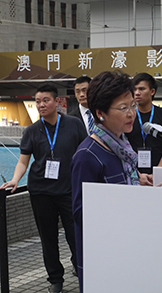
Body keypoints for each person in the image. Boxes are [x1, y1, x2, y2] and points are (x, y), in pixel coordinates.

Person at [71, 71, 153, 293]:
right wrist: (121, 198)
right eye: (123, 108)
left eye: (132, 106)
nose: (131, 114)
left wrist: (138, 181)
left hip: (127, 247)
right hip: (104, 259)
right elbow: (80, 214)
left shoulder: (122, 146)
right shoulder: (87, 154)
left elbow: (122, 183)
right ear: (100, 113)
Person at [0, 83, 87, 293]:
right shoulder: (31, 130)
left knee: (75, 235)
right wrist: (14, 179)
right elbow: (23, 161)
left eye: (45, 100)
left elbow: (85, 153)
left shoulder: (74, 124)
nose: (41, 105)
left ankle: (81, 268)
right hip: (41, 192)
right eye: (37, 101)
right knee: (48, 239)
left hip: (69, 191)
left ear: (57, 102)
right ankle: (55, 280)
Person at [126, 72, 162, 175]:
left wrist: (157, 173)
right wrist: (136, 175)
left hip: (160, 172)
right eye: (134, 89)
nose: (137, 93)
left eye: (141, 89)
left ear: (152, 91)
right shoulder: (128, 116)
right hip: (133, 174)